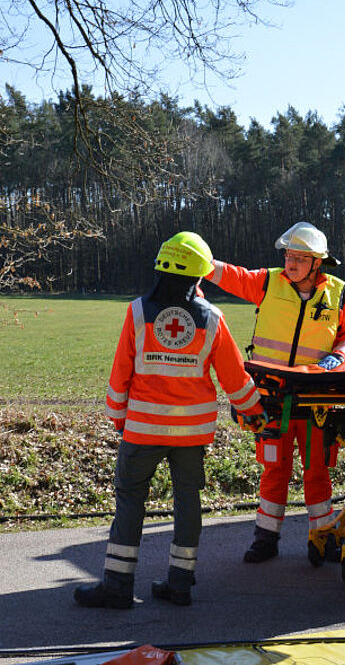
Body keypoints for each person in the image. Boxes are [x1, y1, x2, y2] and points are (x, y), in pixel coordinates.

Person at [74, 231, 265, 609]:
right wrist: (256, 411)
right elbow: (234, 378)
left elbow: (120, 373)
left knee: (130, 501)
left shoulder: (138, 312)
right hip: (191, 433)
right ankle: (180, 584)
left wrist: (117, 417)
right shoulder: (213, 318)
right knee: (187, 502)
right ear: (198, 276)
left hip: (142, 429)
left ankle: (117, 585)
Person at [206, 221, 345, 563]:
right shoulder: (267, 281)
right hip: (272, 397)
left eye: (299, 258)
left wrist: (339, 356)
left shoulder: (339, 293)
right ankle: (266, 538)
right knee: (274, 468)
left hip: (316, 398)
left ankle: (321, 538)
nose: (290, 263)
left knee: (317, 469)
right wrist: (203, 261)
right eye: (289, 256)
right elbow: (233, 276)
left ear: (317, 262)